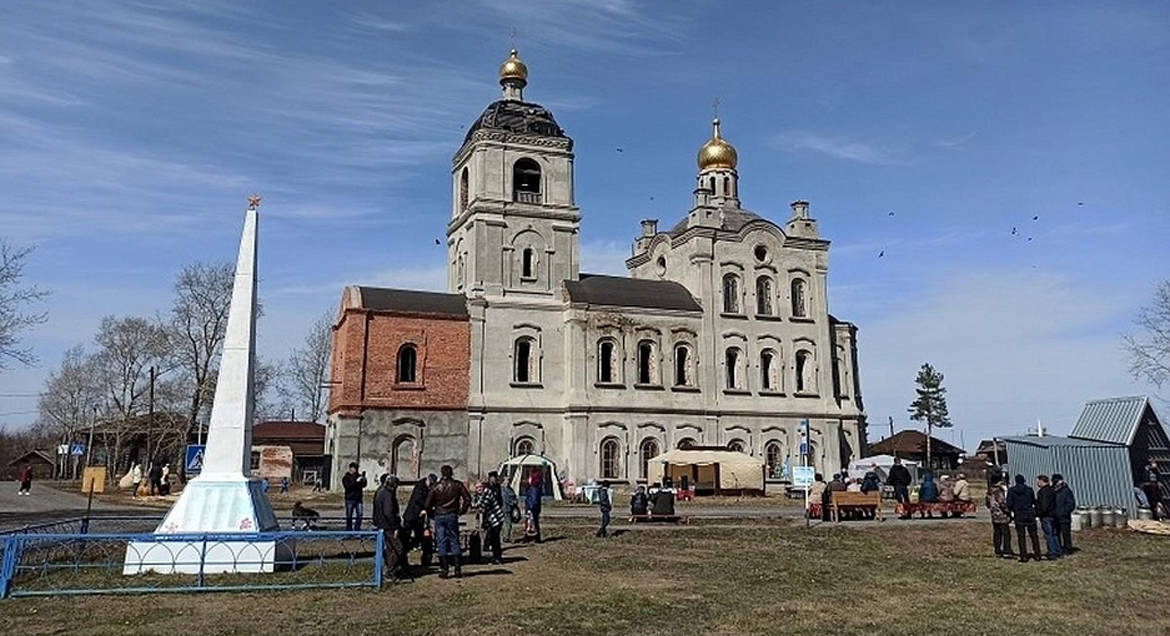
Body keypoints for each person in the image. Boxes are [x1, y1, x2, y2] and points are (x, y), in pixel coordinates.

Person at [426, 465, 472, 578]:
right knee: (454, 540)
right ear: (451, 473)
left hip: (439, 515)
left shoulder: (436, 487)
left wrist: (432, 513)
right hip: (452, 514)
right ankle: (457, 569)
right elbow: (467, 499)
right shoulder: (457, 485)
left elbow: (427, 504)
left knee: (441, 541)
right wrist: (462, 511)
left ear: (442, 473)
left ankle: (444, 569)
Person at [373, 474, 407, 579]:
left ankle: (390, 569)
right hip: (389, 526)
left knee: (390, 548)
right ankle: (391, 569)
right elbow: (389, 512)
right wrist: (395, 526)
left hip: (382, 524)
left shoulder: (380, 492)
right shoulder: (387, 494)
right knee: (398, 548)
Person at [1006, 474, 1042, 562]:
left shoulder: (1012, 491)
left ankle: (1023, 555)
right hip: (1030, 514)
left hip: (1019, 515)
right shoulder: (1029, 490)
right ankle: (1037, 554)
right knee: (1034, 535)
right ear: (1024, 481)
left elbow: (1009, 504)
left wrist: (1013, 509)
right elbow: (1033, 501)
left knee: (1021, 536)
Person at [402, 475, 435, 566]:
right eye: (430, 484)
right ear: (427, 480)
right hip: (412, 516)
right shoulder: (420, 487)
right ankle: (404, 558)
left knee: (421, 537)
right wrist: (426, 508)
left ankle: (423, 558)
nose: (430, 486)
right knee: (407, 537)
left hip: (419, 518)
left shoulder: (425, 487)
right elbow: (418, 500)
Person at [479, 471, 505, 564]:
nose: (494, 480)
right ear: (489, 478)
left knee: (495, 538)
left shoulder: (494, 488)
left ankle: (497, 557)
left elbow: (484, 504)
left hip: (496, 516)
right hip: (491, 516)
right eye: (493, 478)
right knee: (492, 536)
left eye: (495, 478)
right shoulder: (487, 487)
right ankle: (495, 555)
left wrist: (479, 508)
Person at [986, 475, 1014, 559]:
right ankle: (1006, 550)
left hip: (994, 515)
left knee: (997, 533)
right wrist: (1008, 512)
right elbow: (1002, 503)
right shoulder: (998, 491)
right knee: (1006, 534)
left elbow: (987, 503)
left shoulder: (989, 491)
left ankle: (997, 550)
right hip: (1002, 515)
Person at [1034, 475, 1060, 559]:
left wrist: (1039, 513)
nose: (1037, 483)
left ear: (1041, 481)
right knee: (1054, 533)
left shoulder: (1043, 492)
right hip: (1054, 514)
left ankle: (1052, 552)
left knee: (1049, 534)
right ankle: (1058, 550)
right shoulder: (1052, 490)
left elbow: (1044, 505)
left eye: (1038, 481)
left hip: (1046, 516)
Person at [1052, 473, 1076, 555]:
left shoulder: (1066, 491)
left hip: (1064, 517)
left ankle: (1068, 549)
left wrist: (1064, 512)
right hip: (1055, 517)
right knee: (1056, 533)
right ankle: (1059, 548)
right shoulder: (1053, 491)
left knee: (1066, 534)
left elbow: (1071, 504)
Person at [342, 462, 367, 531]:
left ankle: (357, 529)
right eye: (354, 468)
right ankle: (349, 530)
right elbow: (348, 487)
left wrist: (364, 479)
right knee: (349, 516)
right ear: (351, 468)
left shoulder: (358, 476)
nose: (355, 470)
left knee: (360, 515)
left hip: (358, 499)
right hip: (350, 499)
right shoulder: (346, 478)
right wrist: (356, 482)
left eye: (356, 468)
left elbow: (364, 485)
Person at [524, 470, 544, 543]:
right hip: (534, 508)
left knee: (531, 523)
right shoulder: (536, 487)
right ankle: (535, 537)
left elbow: (534, 499)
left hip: (532, 508)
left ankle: (532, 537)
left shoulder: (533, 488)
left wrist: (530, 508)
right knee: (534, 523)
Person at [500, 475, 518, 543]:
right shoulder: (503, 489)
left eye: (509, 480)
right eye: (506, 480)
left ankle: (506, 536)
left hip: (509, 508)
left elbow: (514, 497)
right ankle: (506, 537)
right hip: (505, 508)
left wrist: (515, 502)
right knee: (507, 523)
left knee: (508, 523)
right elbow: (506, 499)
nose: (508, 482)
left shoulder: (510, 489)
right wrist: (512, 502)